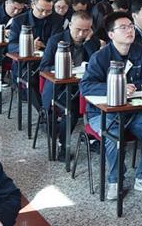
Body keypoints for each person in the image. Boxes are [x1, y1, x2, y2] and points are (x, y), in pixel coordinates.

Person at [80, 11, 142, 201]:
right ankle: (115, 180)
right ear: (111, 34)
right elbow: (86, 86)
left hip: (133, 110)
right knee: (113, 136)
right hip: (102, 113)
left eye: (131, 26)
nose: (129, 31)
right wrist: (116, 87)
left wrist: (134, 86)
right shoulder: (100, 57)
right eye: (123, 28)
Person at [38, 10, 99, 159]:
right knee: (70, 110)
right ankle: (63, 146)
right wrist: (61, 66)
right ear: (70, 25)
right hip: (59, 87)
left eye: (86, 30)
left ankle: (92, 138)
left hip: (81, 87)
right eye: (78, 29)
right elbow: (44, 67)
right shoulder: (56, 40)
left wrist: (89, 42)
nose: (81, 34)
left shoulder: (92, 41)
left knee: (90, 105)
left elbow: (96, 65)